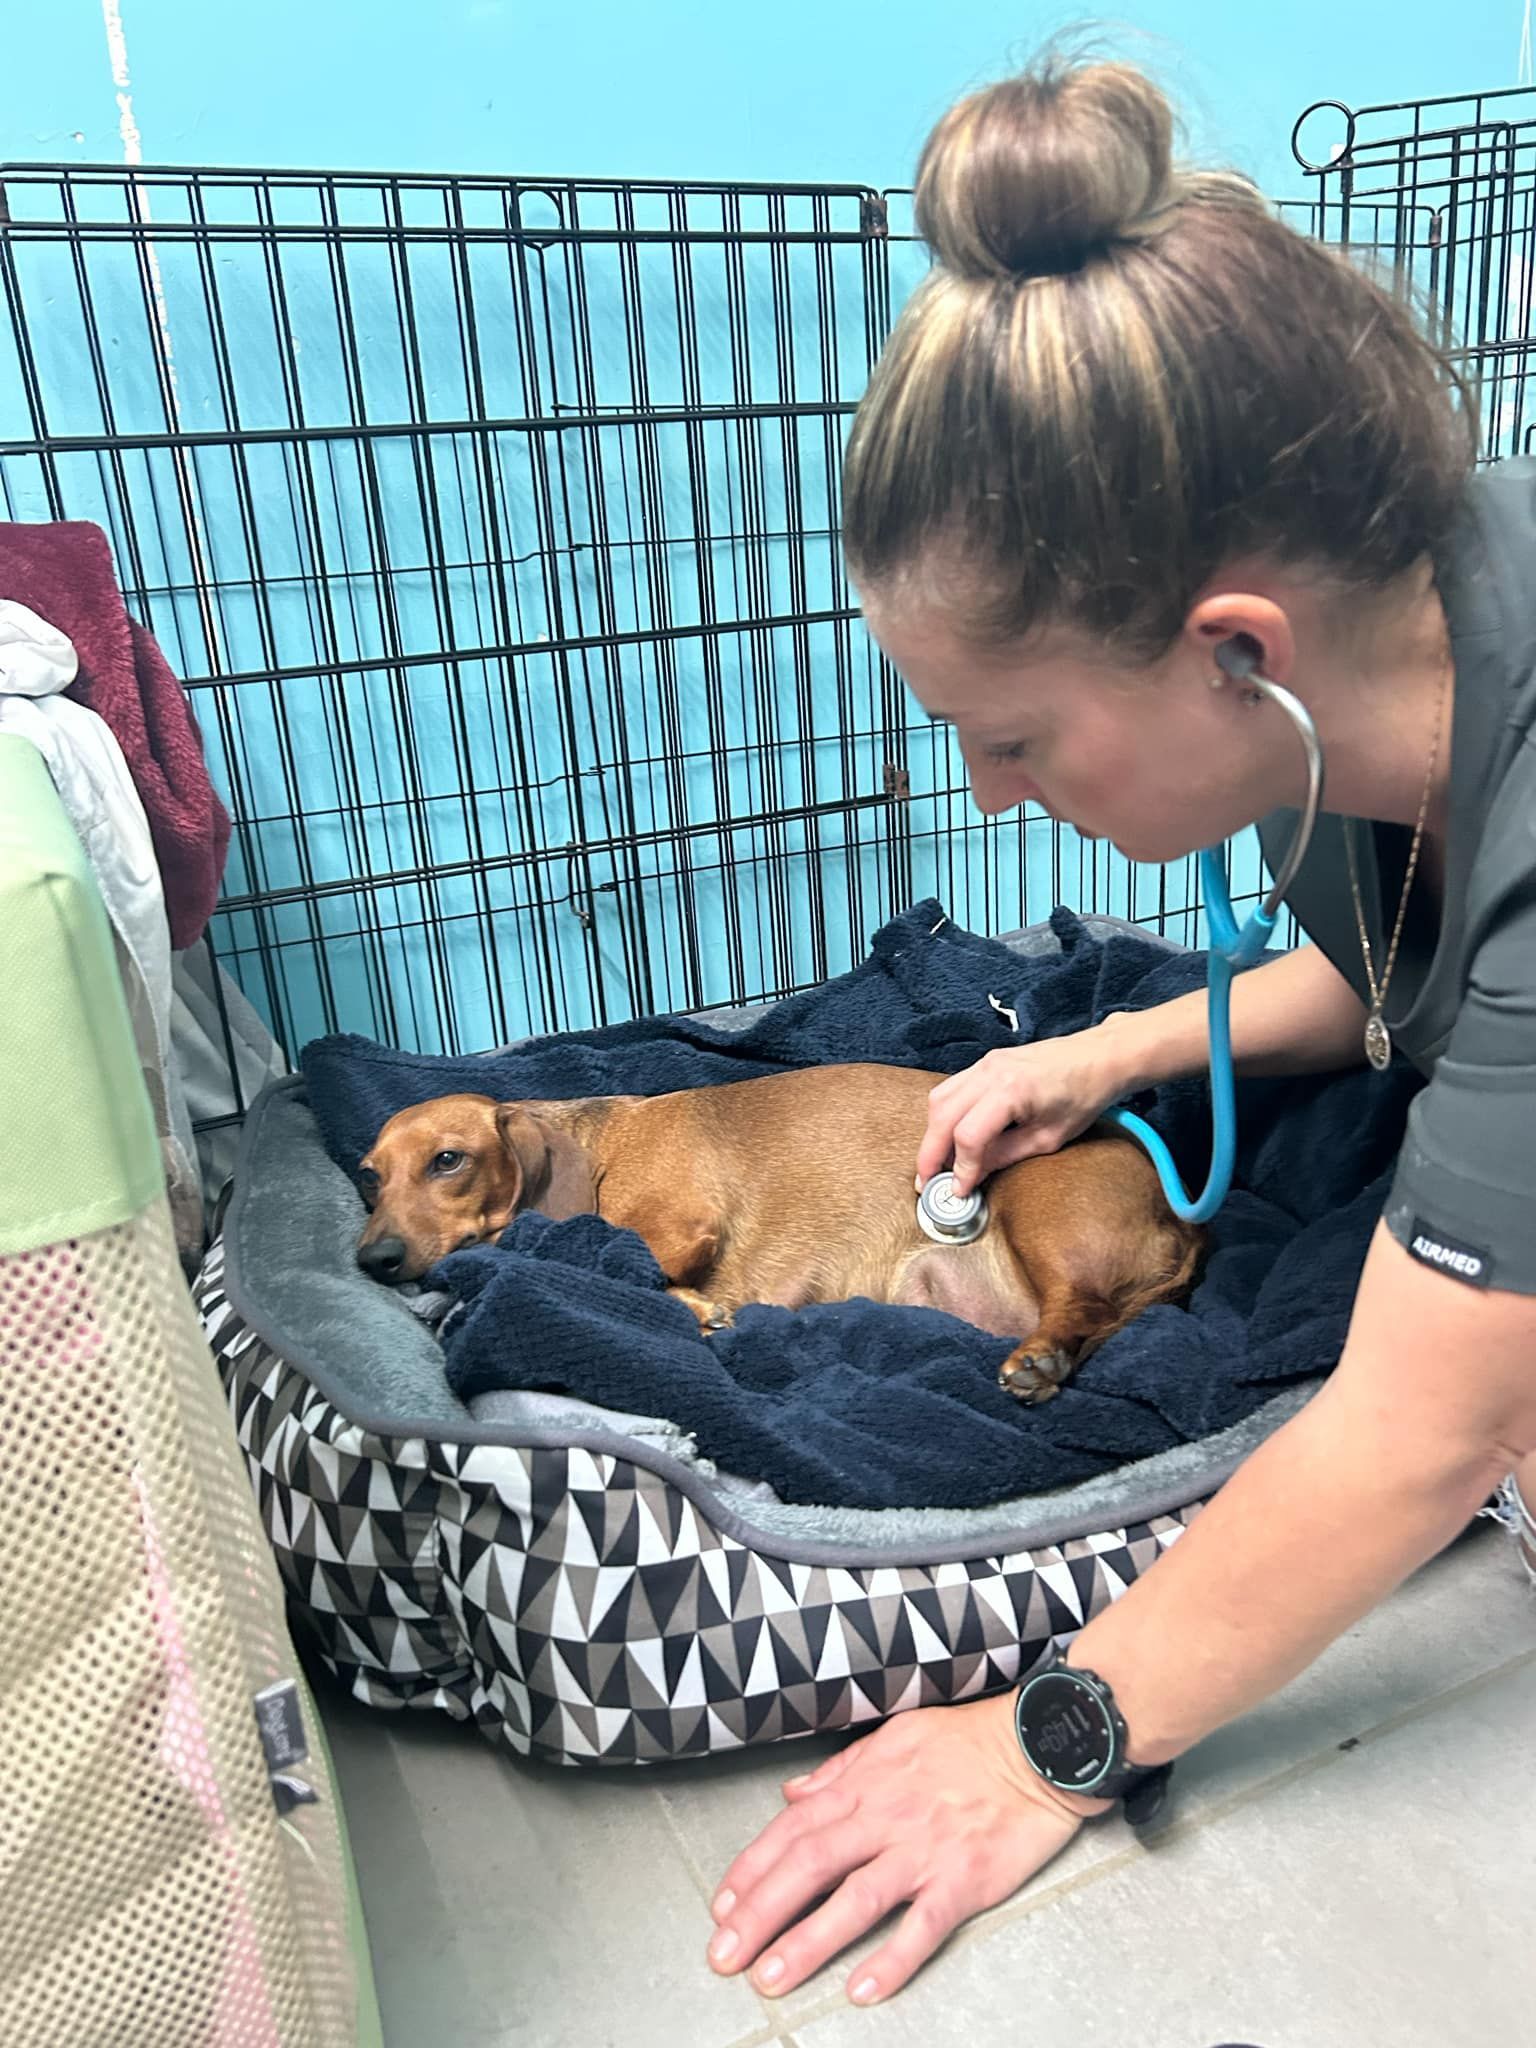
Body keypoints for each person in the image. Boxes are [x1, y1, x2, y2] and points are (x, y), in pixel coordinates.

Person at [704, 51, 1536, 2009]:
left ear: (1238, 651)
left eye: (1014, 737)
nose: (992, 799)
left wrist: (1043, 1739)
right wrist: (1102, 1056)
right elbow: (1424, 966)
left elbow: (1435, 1428)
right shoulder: (1399, 629)